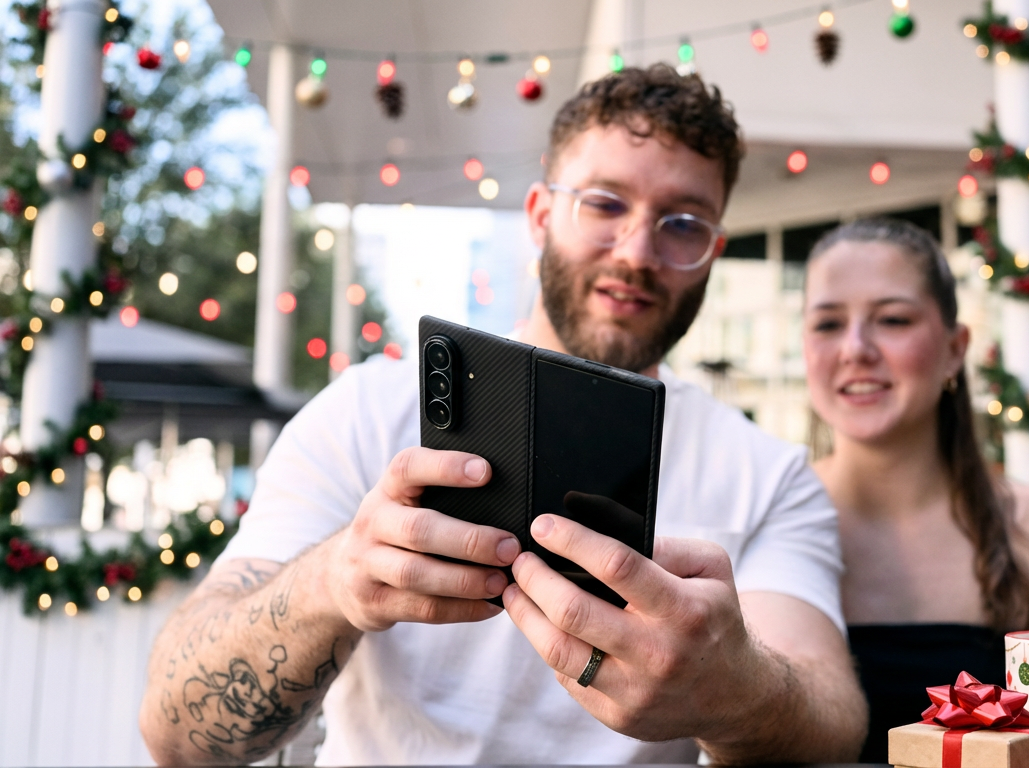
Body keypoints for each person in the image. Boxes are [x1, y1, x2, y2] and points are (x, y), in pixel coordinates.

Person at [138, 65, 866, 766]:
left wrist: (732, 691)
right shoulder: (366, 412)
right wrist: (337, 580)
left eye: (682, 223)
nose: (638, 252)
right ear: (541, 215)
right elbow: (173, 733)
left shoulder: (768, 474)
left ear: (712, 253)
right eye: (605, 203)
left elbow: (832, 723)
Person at [800, 218, 1029, 762]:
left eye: (892, 319)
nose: (855, 348)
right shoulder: (769, 522)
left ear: (954, 348)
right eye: (828, 324)